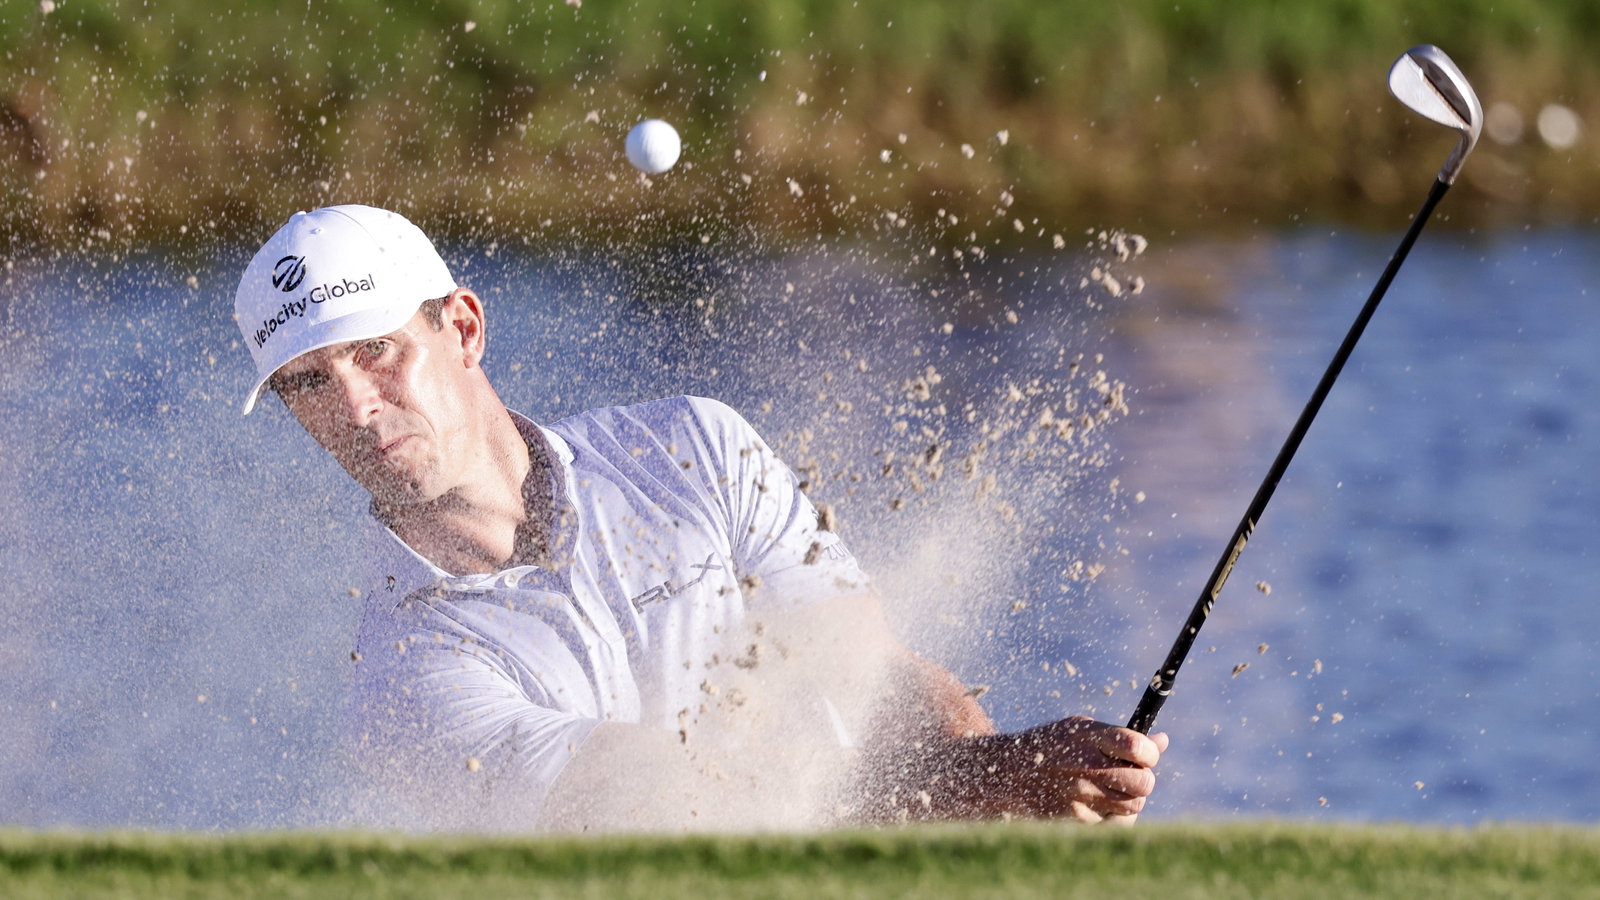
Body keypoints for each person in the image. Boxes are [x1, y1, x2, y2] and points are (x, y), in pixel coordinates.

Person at [233, 204, 1167, 831]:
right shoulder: (406, 687)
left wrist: (1001, 780)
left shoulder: (692, 448)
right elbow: (700, 819)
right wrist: (990, 784)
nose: (353, 408)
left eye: (376, 352)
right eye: (308, 383)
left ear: (464, 329)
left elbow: (876, 679)